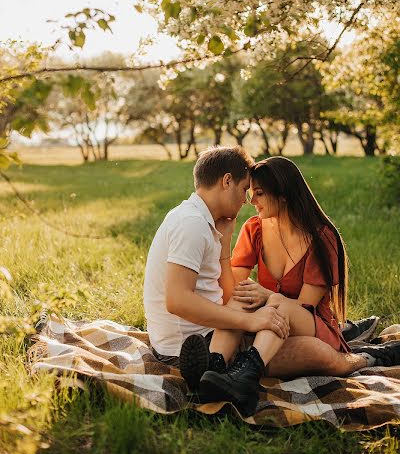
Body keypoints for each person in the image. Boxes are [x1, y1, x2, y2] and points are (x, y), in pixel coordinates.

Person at [144, 148, 400, 416]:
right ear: (227, 181)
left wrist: (264, 302)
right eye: (247, 189)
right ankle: (220, 371)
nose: (249, 200)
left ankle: (364, 352)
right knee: (265, 311)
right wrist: (251, 315)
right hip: (206, 337)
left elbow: (301, 309)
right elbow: (229, 294)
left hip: (305, 320)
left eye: (258, 192)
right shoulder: (213, 225)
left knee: (281, 312)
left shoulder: (320, 237)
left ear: (284, 194)